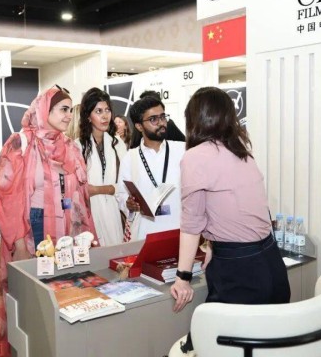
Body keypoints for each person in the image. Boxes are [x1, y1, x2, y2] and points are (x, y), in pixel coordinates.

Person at [170, 87, 290, 352]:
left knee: (209, 343)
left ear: (195, 119)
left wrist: (182, 278)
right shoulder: (242, 152)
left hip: (240, 272)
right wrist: (213, 247)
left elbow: (191, 225)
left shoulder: (195, 157)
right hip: (272, 264)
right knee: (267, 347)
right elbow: (239, 211)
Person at [0, 85, 97, 357]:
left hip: (67, 231)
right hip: (34, 230)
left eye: (70, 110)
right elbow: (7, 198)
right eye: (63, 109)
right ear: (44, 110)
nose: (68, 116)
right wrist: (19, 242)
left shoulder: (70, 147)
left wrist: (85, 236)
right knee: (34, 300)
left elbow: (80, 197)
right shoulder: (20, 143)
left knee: (66, 295)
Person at [116, 96, 185, 240]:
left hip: (180, 229)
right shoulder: (130, 158)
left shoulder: (182, 150)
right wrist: (128, 203)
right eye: (153, 119)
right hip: (145, 232)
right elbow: (121, 193)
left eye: (162, 117)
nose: (161, 123)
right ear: (139, 126)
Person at [77, 88, 127, 246]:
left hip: (114, 212)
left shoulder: (117, 144)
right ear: (88, 116)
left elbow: (126, 184)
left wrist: (98, 189)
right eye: (98, 111)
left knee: (116, 254)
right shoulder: (77, 147)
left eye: (107, 110)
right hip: (89, 214)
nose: (105, 116)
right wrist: (110, 188)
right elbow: (77, 189)